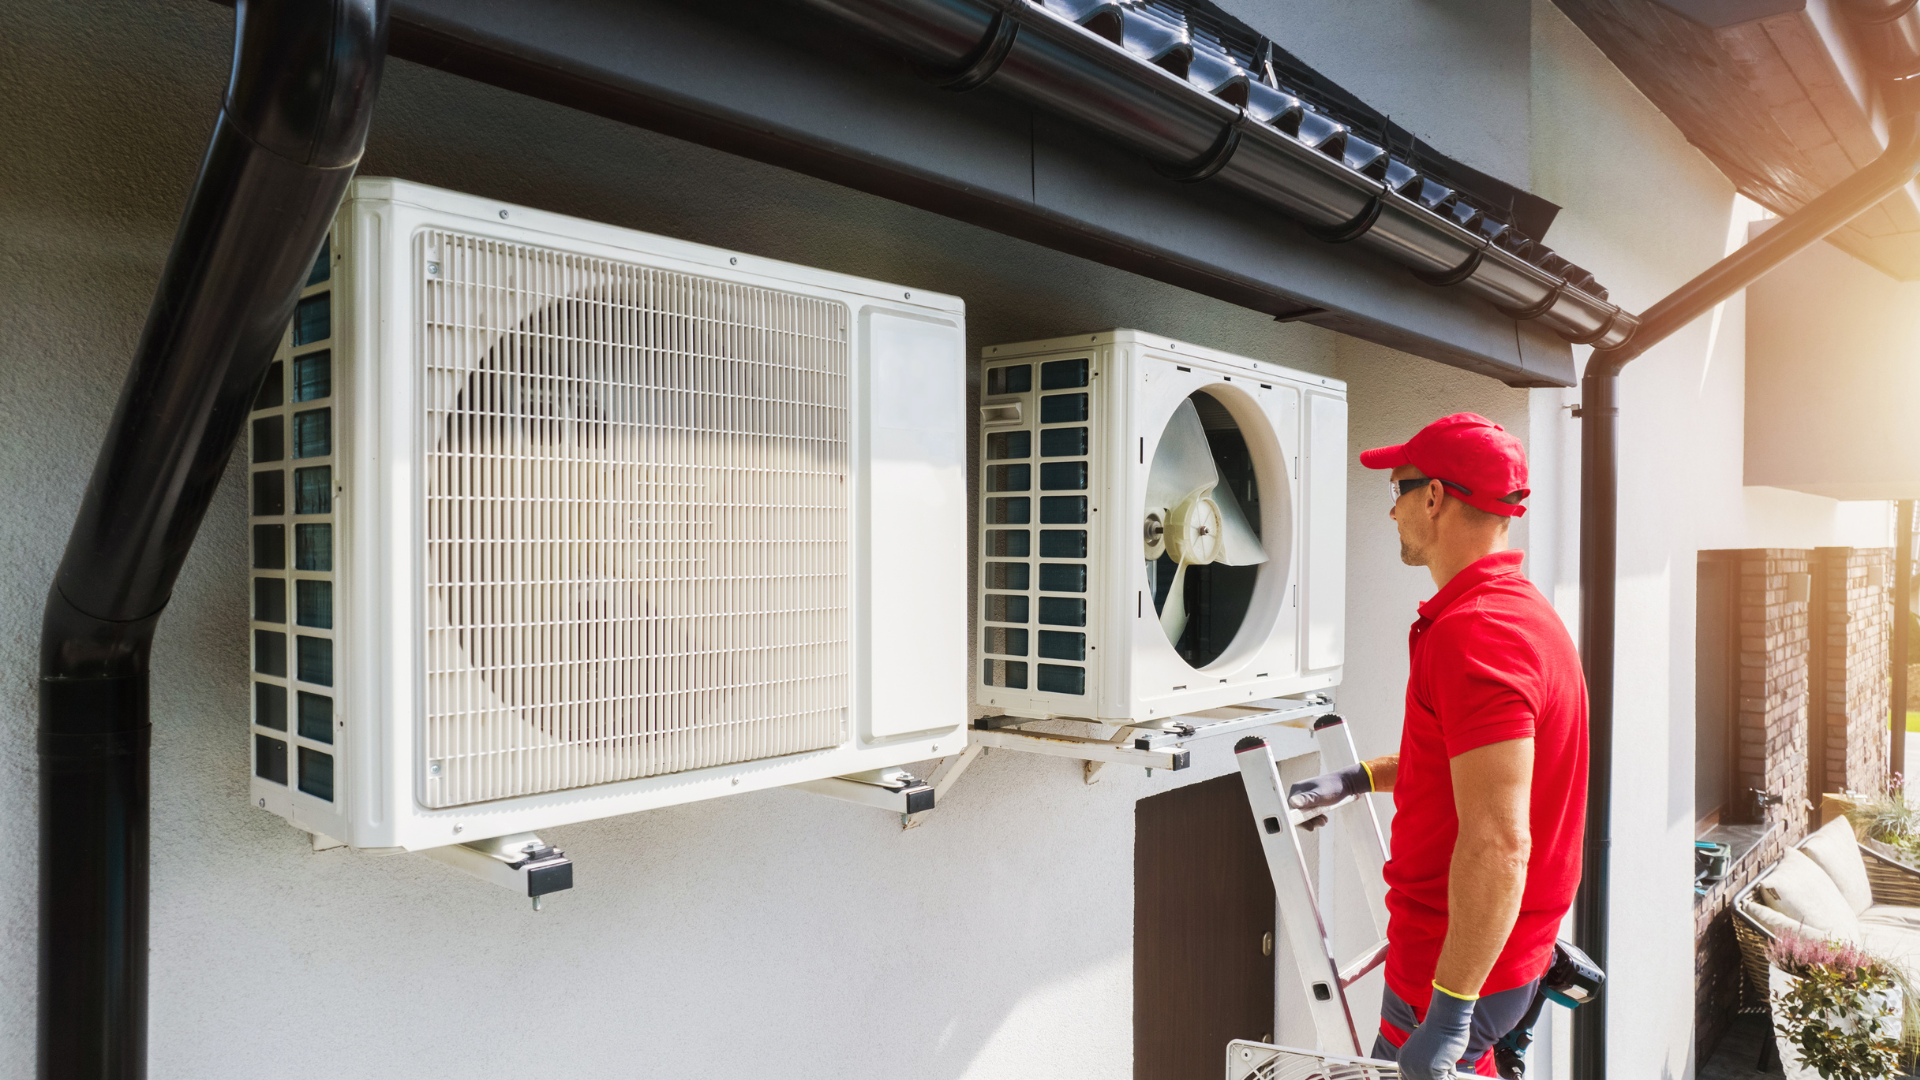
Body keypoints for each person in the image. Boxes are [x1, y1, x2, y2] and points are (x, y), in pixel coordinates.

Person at [1287, 413, 1588, 1080]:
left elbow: (1498, 844)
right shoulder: (1518, 615)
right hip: (1491, 956)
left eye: (1396, 489)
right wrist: (1359, 778)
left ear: (1434, 497)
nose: (1391, 509)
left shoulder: (1477, 636)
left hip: (1452, 969)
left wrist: (1449, 1015)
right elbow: (1467, 772)